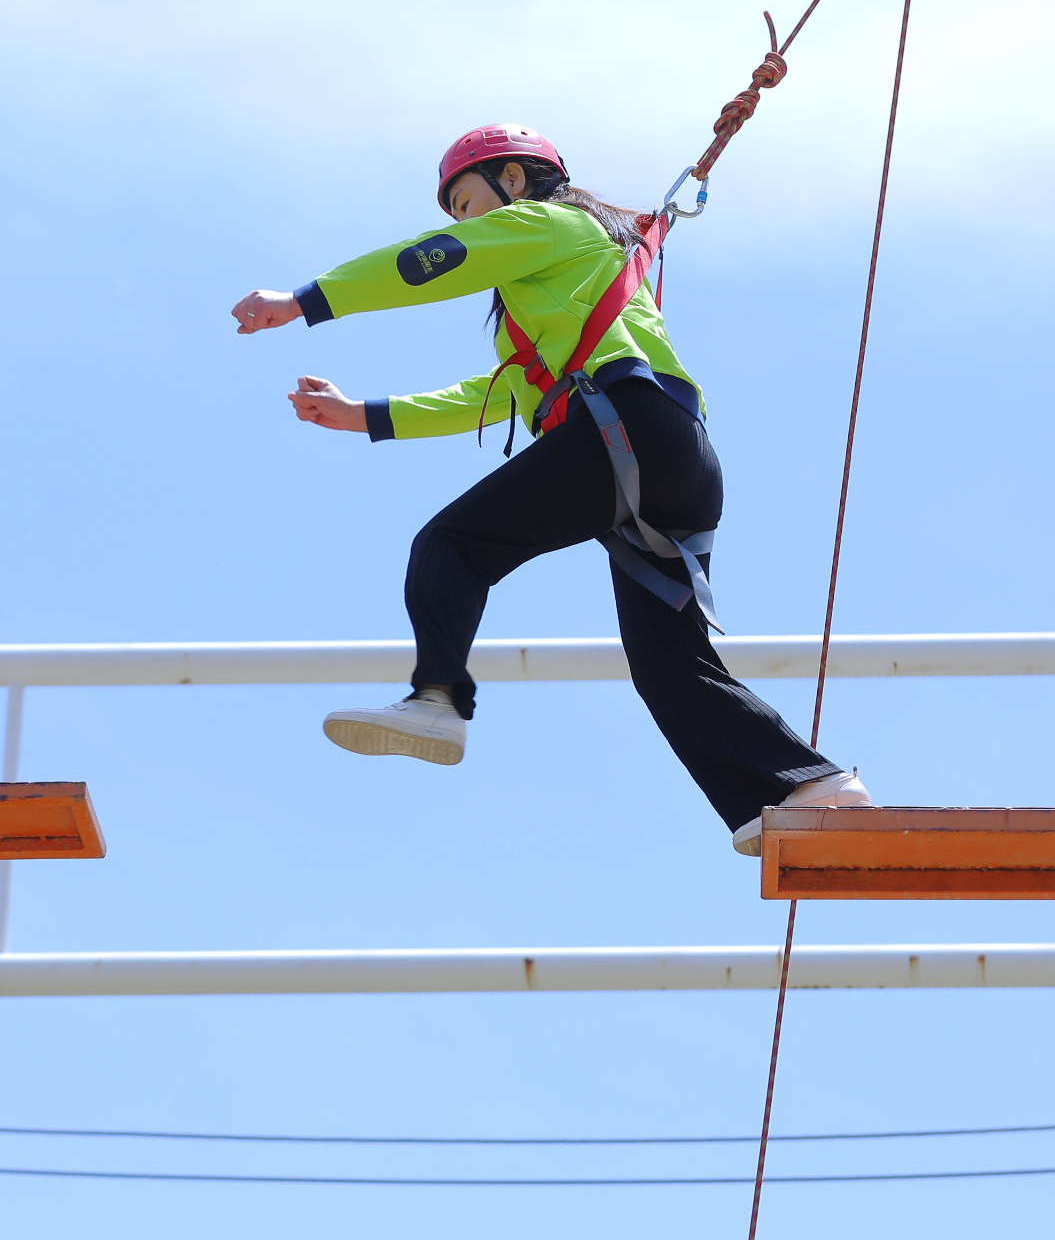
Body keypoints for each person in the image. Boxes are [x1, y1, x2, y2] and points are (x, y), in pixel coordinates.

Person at [230, 123, 870, 855]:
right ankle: (807, 786)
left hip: (625, 427)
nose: (466, 222)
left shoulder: (545, 222)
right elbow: (503, 393)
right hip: (672, 453)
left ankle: (437, 699)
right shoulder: (570, 280)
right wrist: (367, 416)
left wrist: (303, 301)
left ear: (513, 180)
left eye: (467, 203)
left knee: (453, 546)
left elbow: (424, 264)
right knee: (665, 662)